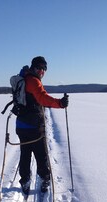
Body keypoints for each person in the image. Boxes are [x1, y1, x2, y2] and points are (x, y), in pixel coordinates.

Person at [16, 56, 69, 194]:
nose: (41, 71)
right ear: (33, 67)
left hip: (21, 125)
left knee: (25, 154)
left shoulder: (23, 78)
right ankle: (45, 178)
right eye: (39, 67)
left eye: (44, 69)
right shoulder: (33, 81)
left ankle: (25, 180)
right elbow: (42, 98)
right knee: (41, 154)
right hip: (34, 126)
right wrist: (60, 103)